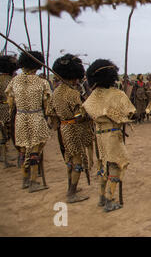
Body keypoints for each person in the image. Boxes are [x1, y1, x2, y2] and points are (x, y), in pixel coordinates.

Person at [82, 59, 135, 212]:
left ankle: (101, 198)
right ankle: (110, 200)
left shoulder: (92, 97)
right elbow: (130, 112)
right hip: (112, 134)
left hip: (99, 135)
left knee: (102, 164)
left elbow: (87, 110)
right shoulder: (117, 94)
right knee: (116, 165)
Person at [48, 54, 94, 203]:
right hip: (74, 129)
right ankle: (71, 193)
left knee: (69, 159)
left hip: (63, 129)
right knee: (77, 161)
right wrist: (88, 113)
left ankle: (71, 187)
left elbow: (51, 113)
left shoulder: (55, 92)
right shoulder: (73, 93)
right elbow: (79, 115)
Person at [6, 51, 51, 192]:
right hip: (36, 117)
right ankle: (33, 182)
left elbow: (10, 103)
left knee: (25, 149)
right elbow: (47, 105)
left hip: (20, 118)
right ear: (37, 66)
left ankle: (25, 180)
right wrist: (46, 115)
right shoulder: (42, 82)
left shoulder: (14, 81)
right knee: (35, 151)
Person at [0, 56, 18, 168]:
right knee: (10, 133)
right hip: (8, 109)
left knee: (3, 135)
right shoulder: (11, 81)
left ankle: (4, 157)